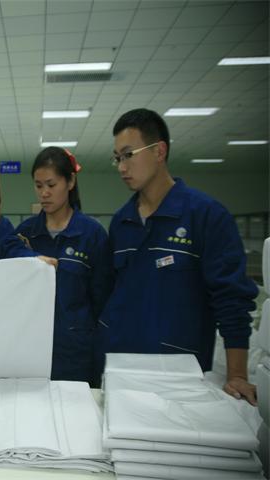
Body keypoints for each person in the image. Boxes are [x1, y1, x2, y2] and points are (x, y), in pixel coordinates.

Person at [99, 108, 258, 404]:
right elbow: (112, 291)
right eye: (117, 158)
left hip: (181, 374)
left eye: (129, 155)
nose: (121, 167)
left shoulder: (206, 216)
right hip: (122, 365)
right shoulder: (122, 221)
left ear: (159, 151)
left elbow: (231, 300)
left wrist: (237, 375)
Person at [15, 147, 113, 385]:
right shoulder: (25, 234)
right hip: (29, 349)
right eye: (38, 185)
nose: (44, 193)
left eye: (51, 184)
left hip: (75, 355)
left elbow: (102, 301)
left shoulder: (92, 234)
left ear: (70, 182)